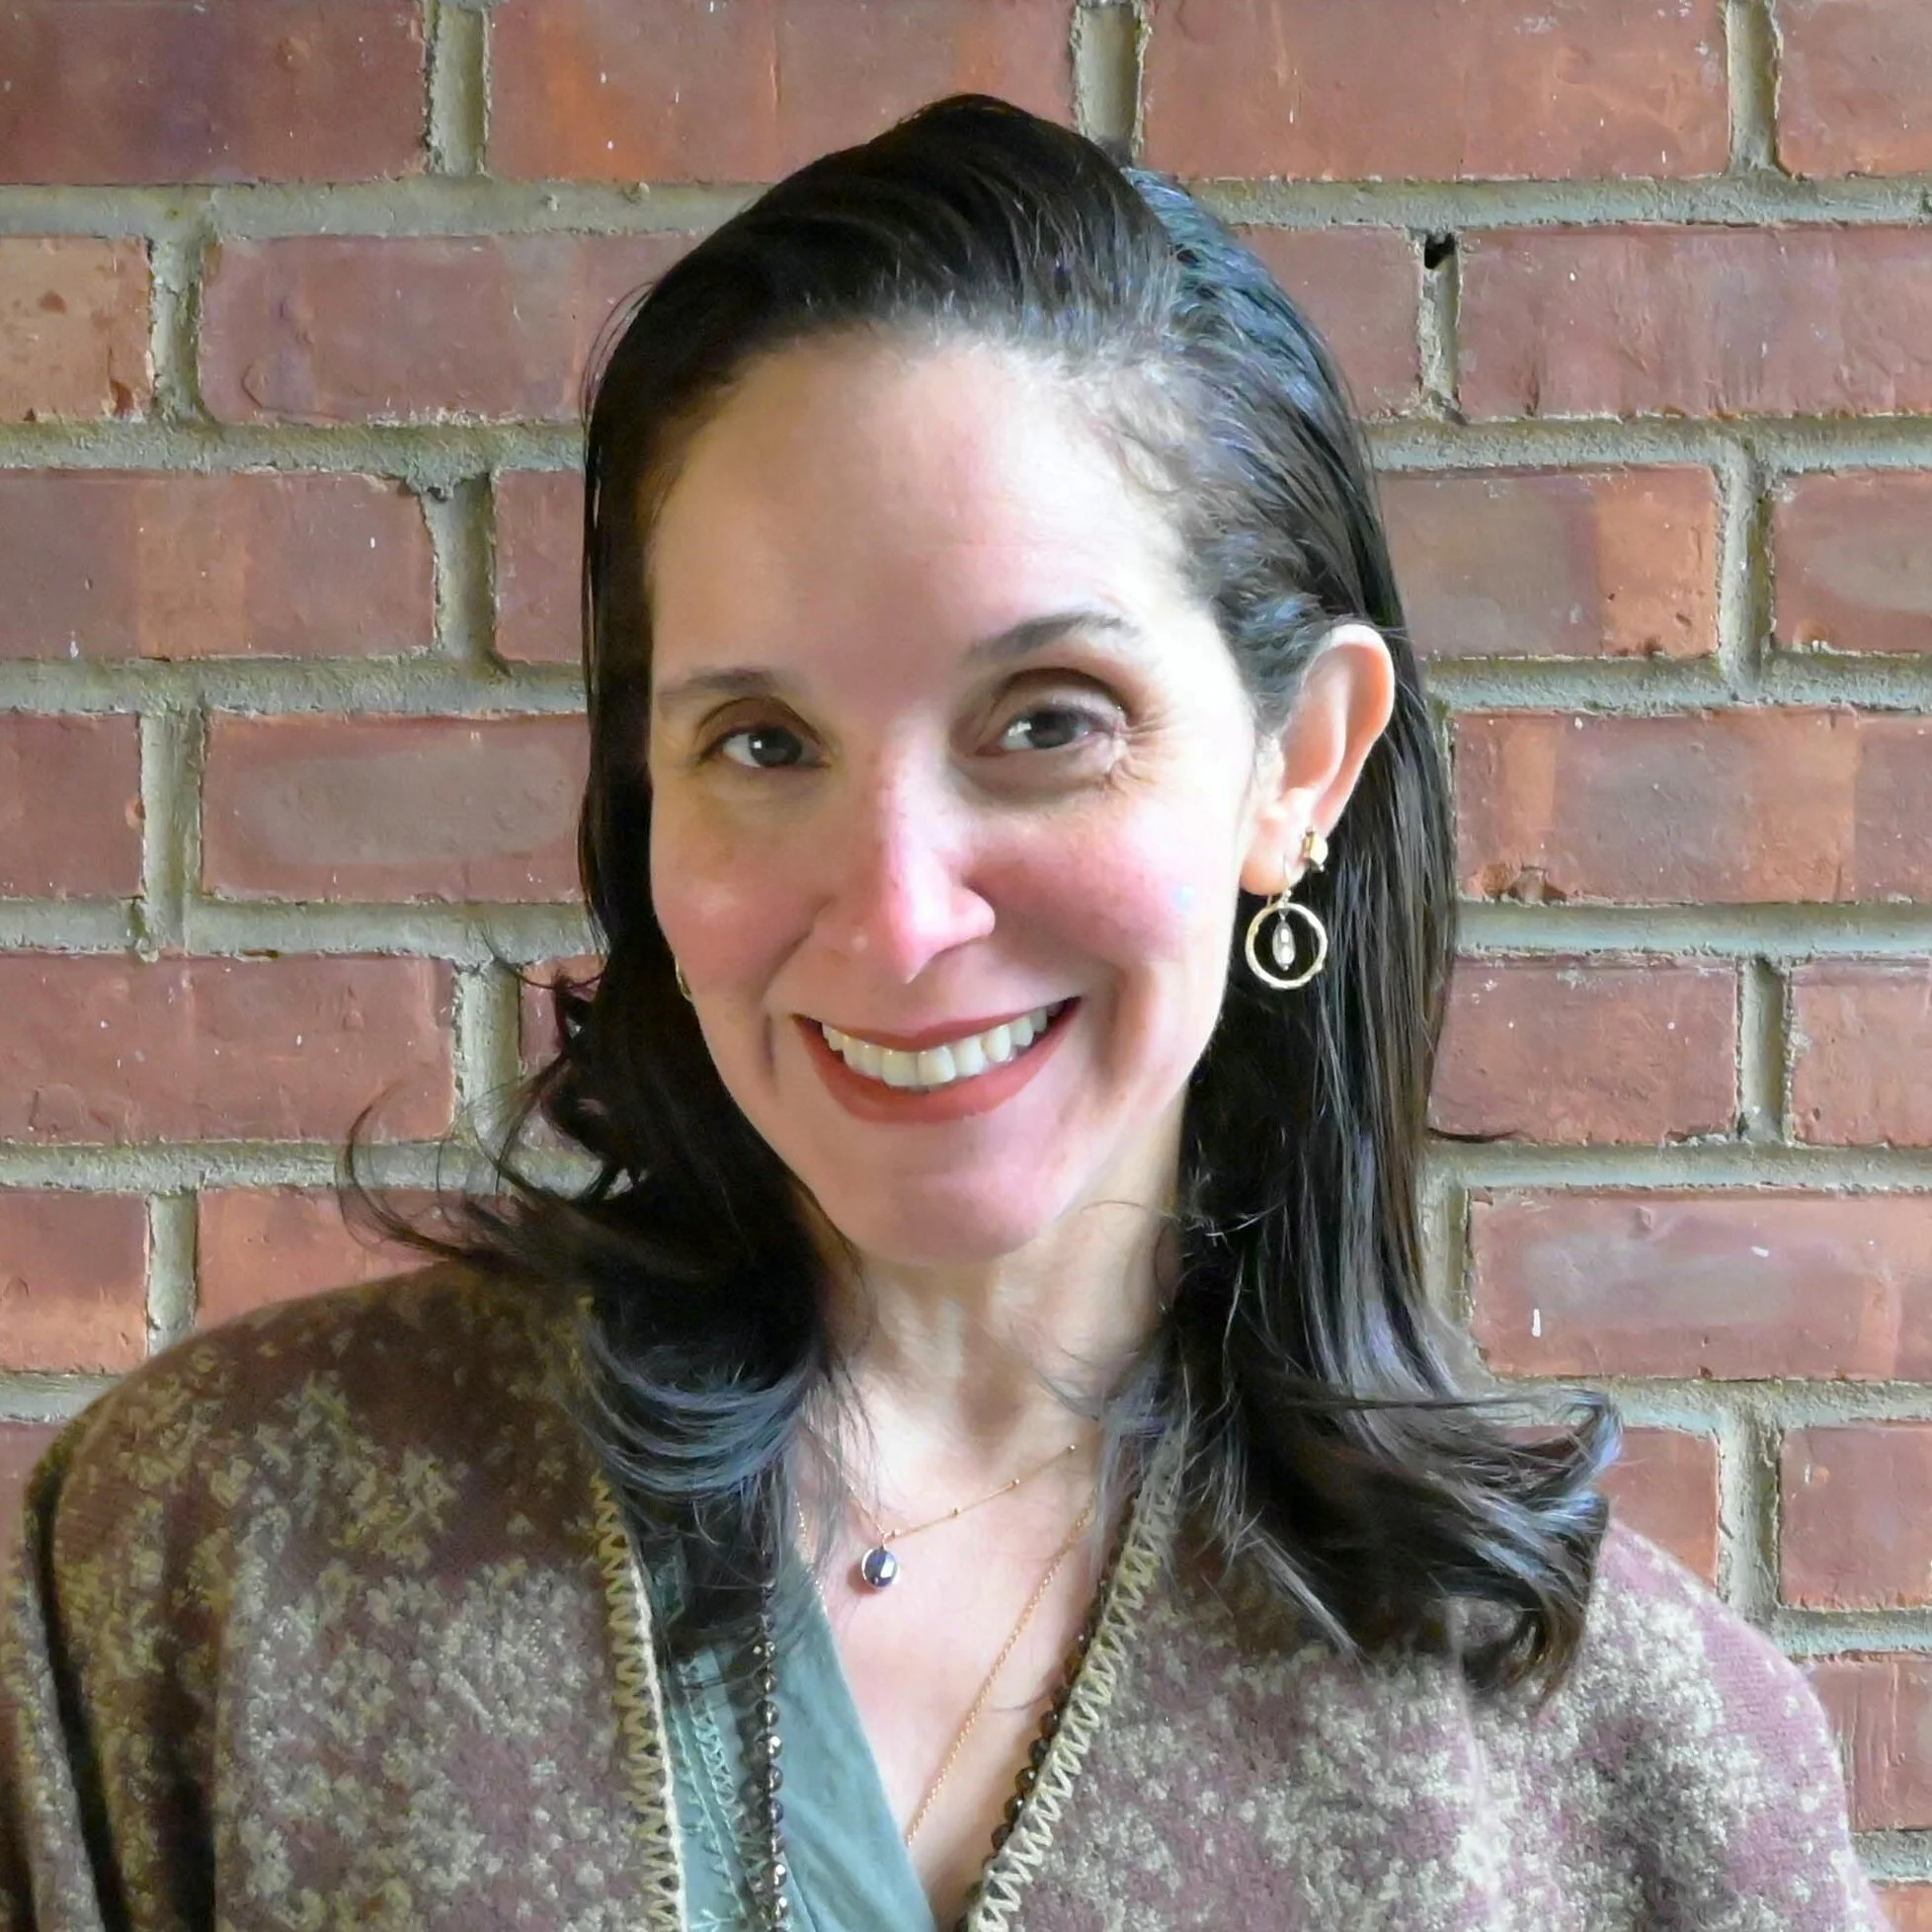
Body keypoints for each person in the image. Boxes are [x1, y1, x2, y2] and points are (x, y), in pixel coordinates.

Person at [0, 95, 1883, 1932]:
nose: (898, 920)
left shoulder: (1642, 1774)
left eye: (1048, 721)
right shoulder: (201, 1568)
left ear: (1299, 763)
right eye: (762, 742)